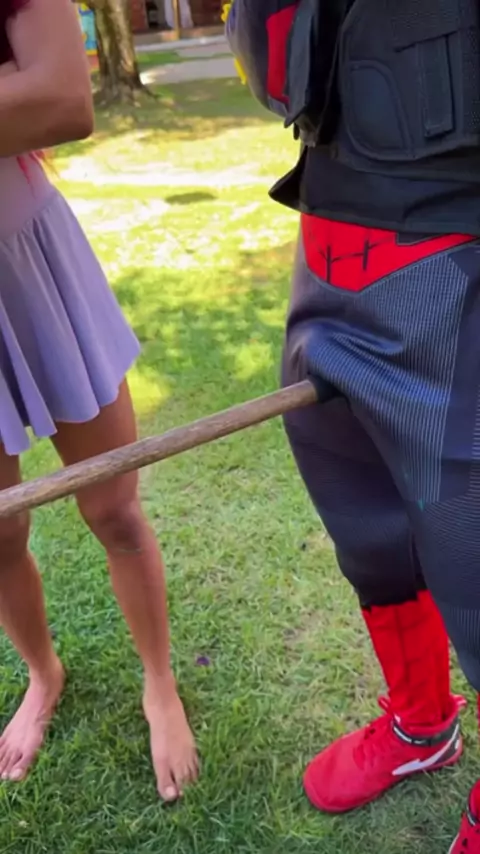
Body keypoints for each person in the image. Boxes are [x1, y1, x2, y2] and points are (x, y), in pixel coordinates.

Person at [227, 0, 480, 849]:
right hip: (329, 241)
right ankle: (422, 724)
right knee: (363, 526)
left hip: (457, 257)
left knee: (474, 555)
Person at [0, 0, 198, 801]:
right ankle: (42, 673)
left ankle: (161, 684)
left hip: (31, 261)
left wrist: (27, 89)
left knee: (113, 507)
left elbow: (60, 97)